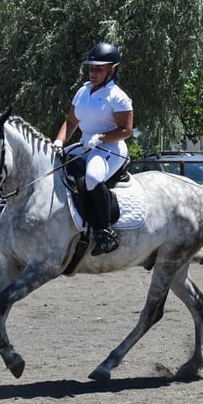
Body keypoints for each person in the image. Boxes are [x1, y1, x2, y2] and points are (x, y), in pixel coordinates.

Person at [53, 42, 134, 255]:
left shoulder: (118, 96)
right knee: (54, 165)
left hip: (110, 148)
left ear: (112, 70)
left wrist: (100, 138)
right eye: (91, 68)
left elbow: (126, 130)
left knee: (92, 178)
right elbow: (71, 122)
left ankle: (104, 232)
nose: (93, 72)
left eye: (99, 68)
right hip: (85, 145)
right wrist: (59, 142)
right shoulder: (82, 91)